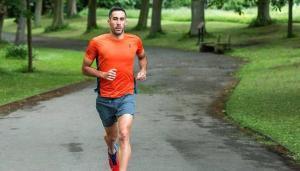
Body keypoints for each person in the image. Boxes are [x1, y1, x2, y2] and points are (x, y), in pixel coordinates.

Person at [82, 6, 148, 171]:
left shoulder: (135, 40)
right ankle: (111, 149)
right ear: (109, 21)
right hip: (105, 99)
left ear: (125, 21)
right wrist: (102, 74)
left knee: (124, 134)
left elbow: (142, 57)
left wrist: (143, 70)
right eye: (115, 19)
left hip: (127, 95)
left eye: (121, 19)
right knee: (112, 138)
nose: (119, 23)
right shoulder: (97, 42)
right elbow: (84, 68)